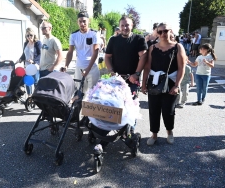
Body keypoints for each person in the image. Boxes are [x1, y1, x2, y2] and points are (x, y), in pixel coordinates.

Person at [95, 16, 147, 148]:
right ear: (119, 26)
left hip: (132, 79)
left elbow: (143, 57)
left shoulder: (138, 39)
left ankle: (129, 131)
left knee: (131, 106)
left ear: (132, 25)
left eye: (127, 25)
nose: (125, 28)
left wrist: (136, 74)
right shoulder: (113, 40)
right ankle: (107, 128)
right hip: (116, 78)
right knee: (112, 104)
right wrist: (111, 71)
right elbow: (107, 57)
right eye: (123, 25)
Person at [141, 22, 186, 145]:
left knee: (168, 110)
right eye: (160, 31)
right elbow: (147, 67)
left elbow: (182, 68)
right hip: (154, 82)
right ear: (157, 33)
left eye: (165, 31)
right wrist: (144, 84)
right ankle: (154, 134)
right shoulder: (152, 48)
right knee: (153, 109)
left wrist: (177, 85)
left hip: (171, 82)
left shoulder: (178, 47)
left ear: (170, 31)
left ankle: (169, 132)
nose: (163, 34)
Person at [62, 11, 100, 93]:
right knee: (79, 95)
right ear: (77, 22)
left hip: (92, 68)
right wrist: (66, 66)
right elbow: (70, 52)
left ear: (88, 21)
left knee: (92, 96)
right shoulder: (73, 35)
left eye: (84, 21)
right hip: (79, 68)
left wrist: (88, 69)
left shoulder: (94, 34)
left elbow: (95, 52)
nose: (82, 24)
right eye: (80, 21)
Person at [18, 28, 41, 96]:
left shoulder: (37, 43)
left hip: (35, 65)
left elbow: (41, 54)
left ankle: (36, 96)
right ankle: (29, 96)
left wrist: (34, 61)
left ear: (34, 35)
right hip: (27, 66)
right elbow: (24, 54)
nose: (29, 37)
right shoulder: (26, 43)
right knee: (28, 81)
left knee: (36, 82)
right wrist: (20, 59)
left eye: (31, 35)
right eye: (27, 36)